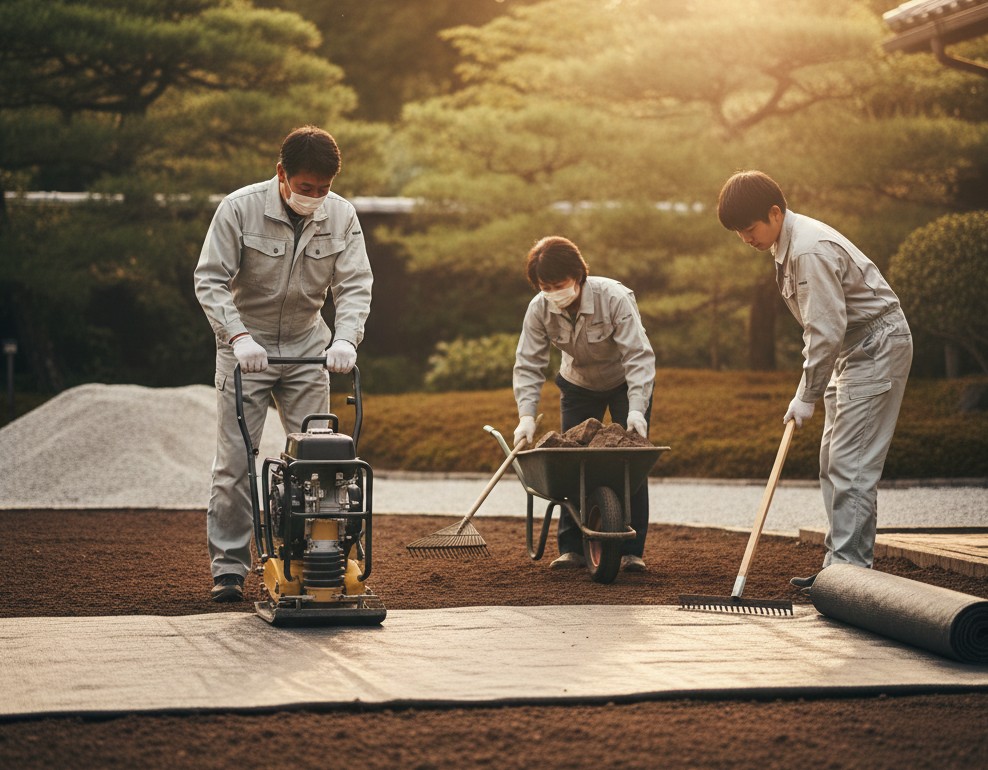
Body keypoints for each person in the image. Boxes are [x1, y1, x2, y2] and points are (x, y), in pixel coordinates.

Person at [194, 125, 373, 602]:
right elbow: (210, 279)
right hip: (246, 351)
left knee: (322, 461)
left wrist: (346, 340)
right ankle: (229, 568)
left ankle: (319, 556)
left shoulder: (343, 216)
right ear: (282, 174)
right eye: (305, 187)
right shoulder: (239, 208)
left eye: (324, 189)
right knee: (235, 463)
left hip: (307, 347)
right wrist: (237, 336)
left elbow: (354, 285)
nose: (315, 197)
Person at [717, 170, 913, 588]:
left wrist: (806, 395)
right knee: (832, 461)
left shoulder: (807, 250)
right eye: (738, 233)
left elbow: (824, 330)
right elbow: (824, 332)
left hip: (875, 346)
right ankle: (837, 566)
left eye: (749, 228)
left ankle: (851, 577)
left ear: (774, 212)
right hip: (852, 350)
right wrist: (809, 390)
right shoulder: (784, 244)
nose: (746, 239)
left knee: (851, 463)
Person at [512, 236, 656, 572]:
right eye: (545, 286)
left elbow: (638, 355)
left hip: (623, 383)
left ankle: (631, 550)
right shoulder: (539, 308)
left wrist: (636, 408)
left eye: (559, 284)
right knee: (571, 462)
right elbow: (529, 365)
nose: (554, 292)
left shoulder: (614, 298)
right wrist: (526, 417)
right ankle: (572, 547)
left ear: (579, 276)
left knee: (631, 463)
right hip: (577, 385)